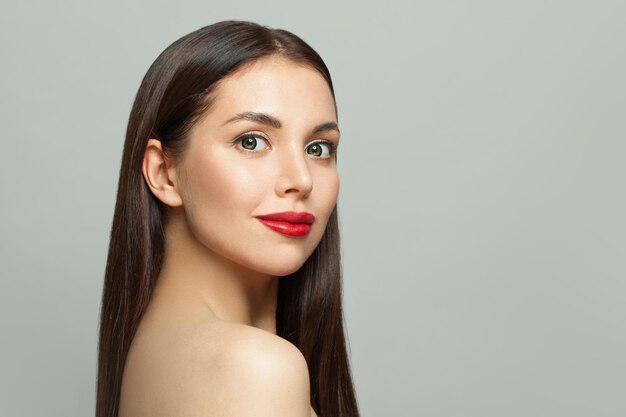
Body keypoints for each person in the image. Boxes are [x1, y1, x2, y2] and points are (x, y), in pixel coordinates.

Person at [96, 20, 360, 417]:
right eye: (251, 141)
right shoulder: (253, 368)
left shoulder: (152, 350)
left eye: (318, 148)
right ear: (164, 173)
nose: (301, 179)